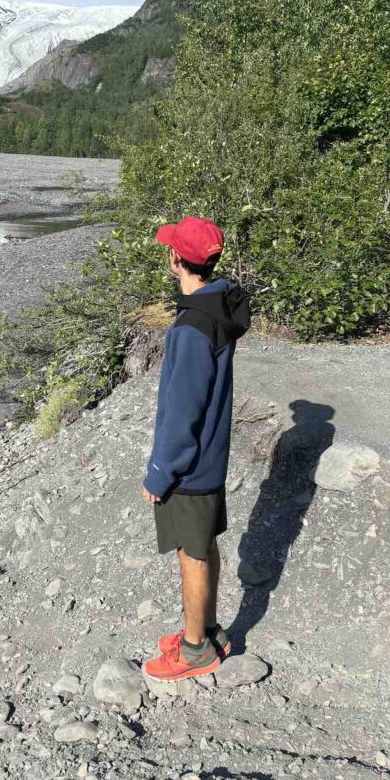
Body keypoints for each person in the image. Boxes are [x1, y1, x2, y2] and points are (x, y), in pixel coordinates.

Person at [141, 216, 250, 681]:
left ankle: (195, 649)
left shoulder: (190, 329)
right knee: (204, 542)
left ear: (175, 260)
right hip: (212, 455)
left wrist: (161, 470)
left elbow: (183, 410)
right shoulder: (218, 306)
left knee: (192, 551)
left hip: (190, 464)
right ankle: (206, 629)